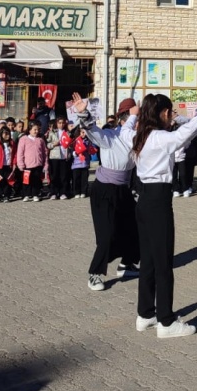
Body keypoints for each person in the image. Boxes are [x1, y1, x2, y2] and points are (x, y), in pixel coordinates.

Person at [130, 91, 197, 338]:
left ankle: (145, 314)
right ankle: (166, 322)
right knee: (163, 262)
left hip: (145, 199)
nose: (171, 116)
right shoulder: (158, 137)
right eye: (169, 112)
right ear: (163, 113)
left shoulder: (141, 136)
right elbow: (184, 134)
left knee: (148, 260)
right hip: (158, 201)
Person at [74, 95, 140, 291]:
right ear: (123, 119)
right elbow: (91, 129)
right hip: (104, 190)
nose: (137, 123)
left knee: (134, 226)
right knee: (107, 233)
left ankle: (127, 263)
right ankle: (94, 273)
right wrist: (82, 112)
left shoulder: (138, 139)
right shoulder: (110, 136)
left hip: (124, 189)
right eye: (133, 119)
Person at [17, 122, 48, 202]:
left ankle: (35, 194)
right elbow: (20, 152)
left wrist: (45, 164)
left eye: (38, 129)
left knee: (36, 181)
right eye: (35, 129)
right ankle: (26, 194)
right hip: (27, 165)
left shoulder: (40, 140)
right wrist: (20, 164)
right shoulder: (23, 139)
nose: (36, 131)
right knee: (26, 181)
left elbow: (44, 152)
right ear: (30, 130)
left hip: (38, 164)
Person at [0, 127, 17, 202]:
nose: (7, 135)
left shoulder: (12, 143)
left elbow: (14, 154)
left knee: (8, 181)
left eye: (8, 133)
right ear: (1, 134)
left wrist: (14, 163)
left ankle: (7, 195)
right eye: (5, 133)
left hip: (8, 165)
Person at [47, 118, 72, 200]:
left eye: (63, 123)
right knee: (54, 175)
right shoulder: (52, 132)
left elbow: (71, 144)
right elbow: (47, 144)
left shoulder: (67, 133)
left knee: (64, 176)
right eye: (59, 123)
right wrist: (53, 144)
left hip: (64, 156)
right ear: (56, 123)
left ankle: (63, 192)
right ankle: (54, 192)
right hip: (54, 156)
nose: (61, 124)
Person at [70, 127, 95, 198]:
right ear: (79, 133)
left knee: (84, 179)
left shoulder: (88, 141)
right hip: (76, 164)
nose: (83, 134)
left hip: (84, 163)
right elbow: (71, 149)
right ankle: (76, 192)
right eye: (82, 132)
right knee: (76, 178)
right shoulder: (75, 141)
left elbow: (90, 149)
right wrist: (75, 152)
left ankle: (84, 191)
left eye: (85, 132)